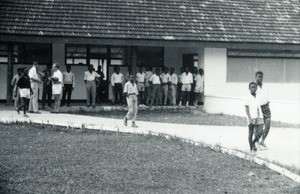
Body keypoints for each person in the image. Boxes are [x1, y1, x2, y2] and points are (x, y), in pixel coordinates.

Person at [245, 82, 264, 152]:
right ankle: (251, 148)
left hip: (259, 116)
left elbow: (260, 106)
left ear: (256, 88)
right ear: (249, 88)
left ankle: (253, 142)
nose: (253, 89)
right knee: (251, 132)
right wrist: (249, 118)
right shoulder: (247, 97)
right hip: (251, 117)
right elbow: (246, 108)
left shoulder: (258, 96)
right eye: (252, 87)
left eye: (254, 87)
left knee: (261, 131)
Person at [255, 71, 271, 148]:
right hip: (258, 108)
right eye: (259, 76)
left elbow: (267, 97)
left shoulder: (265, 86)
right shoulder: (254, 87)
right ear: (255, 77)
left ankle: (262, 141)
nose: (260, 78)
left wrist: (268, 106)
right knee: (259, 127)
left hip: (266, 107)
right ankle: (257, 142)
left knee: (268, 125)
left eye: (261, 77)